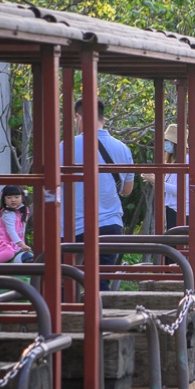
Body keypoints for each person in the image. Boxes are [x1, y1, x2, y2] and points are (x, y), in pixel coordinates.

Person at [61, 98, 134, 290]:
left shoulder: (65, 146)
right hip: (109, 226)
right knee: (100, 281)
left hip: (73, 228)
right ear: (103, 117)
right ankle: (102, 319)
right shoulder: (122, 148)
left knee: (67, 284)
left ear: (78, 117)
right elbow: (127, 190)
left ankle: (68, 319)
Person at [141, 124, 188, 232]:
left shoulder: (186, 160)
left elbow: (179, 190)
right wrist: (152, 179)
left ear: (174, 142)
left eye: (167, 140)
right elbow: (166, 186)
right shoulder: (173, 160)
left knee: (177, 246)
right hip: (172, 209)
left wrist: (156, 180)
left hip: (182, 211)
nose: (165, 144)